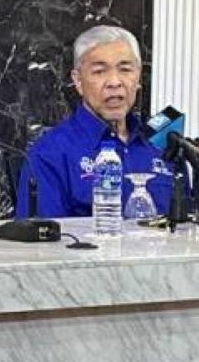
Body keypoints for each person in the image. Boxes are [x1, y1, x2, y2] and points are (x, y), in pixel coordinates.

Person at [16, 25, 174, 218]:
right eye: (100, 72)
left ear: (139, 77)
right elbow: (42, 242)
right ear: (78, 81)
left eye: (125, 69)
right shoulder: (49, 154)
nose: (114, 82)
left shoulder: (162, 146)